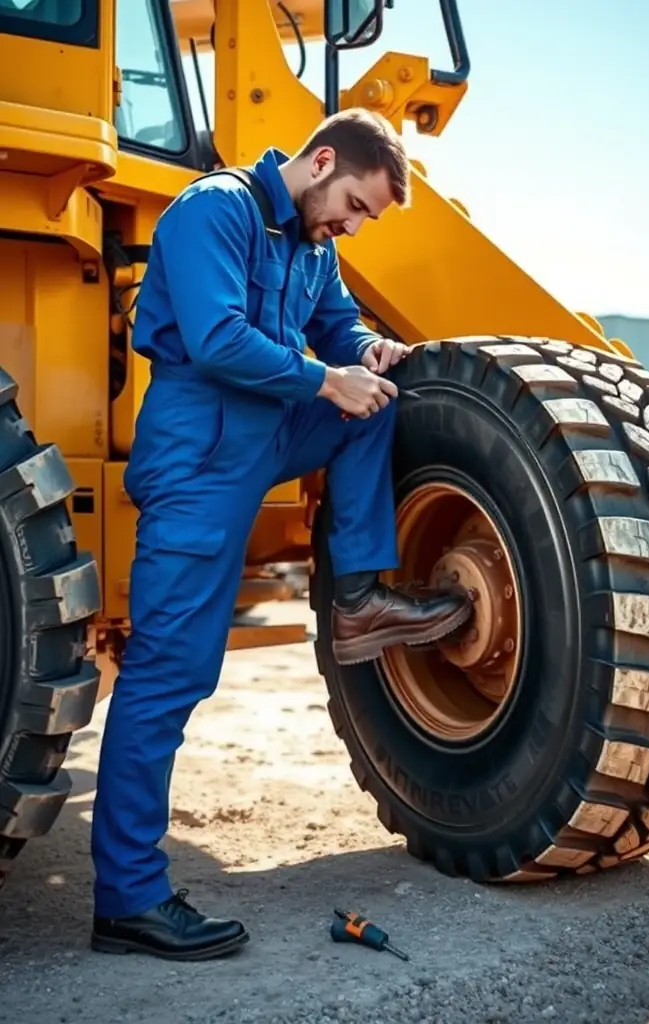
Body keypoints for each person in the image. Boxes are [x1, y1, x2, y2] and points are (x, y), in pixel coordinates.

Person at [89, 108, 473, 961]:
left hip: (266, 426)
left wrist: (370, 354)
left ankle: (361, 600)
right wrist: (324, 379)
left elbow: (339, 332)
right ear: (322, 161)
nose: (353, 225)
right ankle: (128, 899)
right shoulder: (212, 210)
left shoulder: (313, 245)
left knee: (375, 405)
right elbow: (220, 340)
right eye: (356, 205)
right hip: (198, 449)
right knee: (167, 676)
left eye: (365, 218)